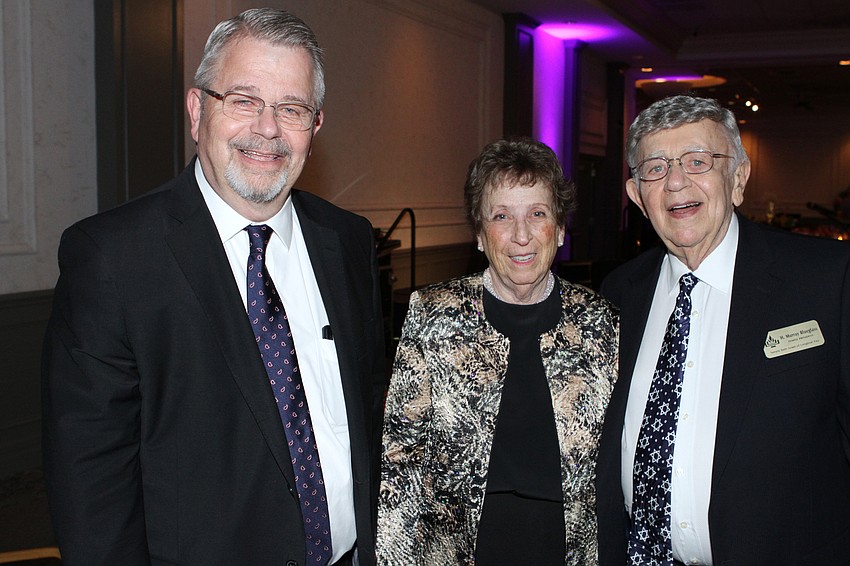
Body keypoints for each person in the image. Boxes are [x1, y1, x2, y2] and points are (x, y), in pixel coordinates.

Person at [42, 8, 386, 565]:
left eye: (292, 108)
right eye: (244, 100)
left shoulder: (347, 240)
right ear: (197, 110)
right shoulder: (113, 259)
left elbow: (368, 410)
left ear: (315, 126)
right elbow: (92, 490)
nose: (268, 129)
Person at [596, 94, 850, 565]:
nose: (676, 182)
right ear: (637, 196)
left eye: (698, 161)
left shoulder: (825, 282)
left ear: (738, 179)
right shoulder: (619, 294)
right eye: (655, 168)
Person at [377, 137, 619, 565]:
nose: (521, 235)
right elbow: (400, 462)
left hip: (568, 553)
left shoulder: (600, 322)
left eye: (538, 214)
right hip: (459, 553)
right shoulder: (433, 316)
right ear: (479, 234)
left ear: (560, 229)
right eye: (502, 216)